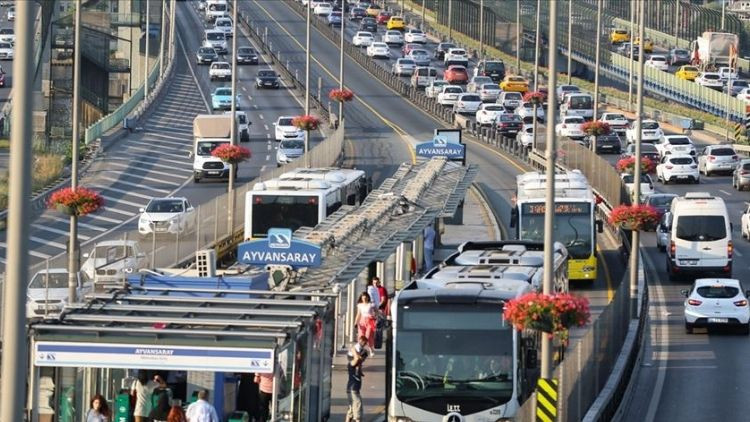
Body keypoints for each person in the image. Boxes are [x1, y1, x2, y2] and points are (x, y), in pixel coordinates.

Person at [345, 336, 371, 422]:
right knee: (357, 410)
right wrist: (353, 350)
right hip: (353, 389)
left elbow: (359, 359)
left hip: (353, 389)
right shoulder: (352, 364)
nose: (362, 359)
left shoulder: (358, 365)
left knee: (351, 410)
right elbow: (356, 358)